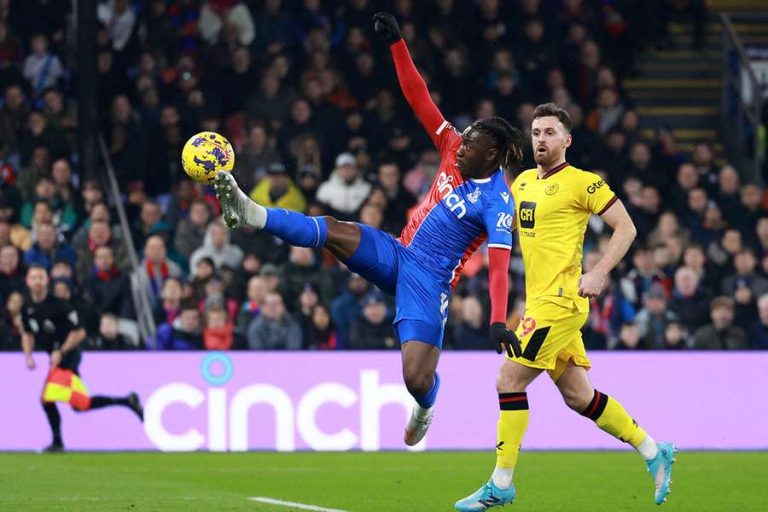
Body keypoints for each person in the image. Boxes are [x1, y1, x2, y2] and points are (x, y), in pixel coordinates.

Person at [214, 11, 525, 447]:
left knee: (415, 377)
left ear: (491, 155)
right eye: (465, 136)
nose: (461, 142)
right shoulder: (453, 147)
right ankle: (252, 213)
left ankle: (426, 403)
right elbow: (418, 97)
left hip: (429, 281)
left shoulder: (498, 202)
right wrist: (398, 45)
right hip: (398, 251)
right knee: (335, 230)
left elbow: (498, 266)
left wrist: (496, 320)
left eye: (472, 141)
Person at [455, 103, 675, 511]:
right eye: (536, 132)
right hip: (539, 302)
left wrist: (600, 271)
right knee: (579, 396)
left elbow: (626, 227)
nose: (541, 139)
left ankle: (501, 484)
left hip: (562, 302)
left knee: (508, 380)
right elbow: (492, 222)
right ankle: (652, 450)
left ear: (566, 140)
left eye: (550, 132)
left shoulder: (583, 183)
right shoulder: (520, 183)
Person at [20, 265, 143, 452]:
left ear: (47, 281)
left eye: (40, 277)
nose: (37, 281)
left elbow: (79, 332)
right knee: (81, 405)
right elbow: (27, 333)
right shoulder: (27, 307)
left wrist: (61, 351)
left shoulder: (60, 305)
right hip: (55, 357)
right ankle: (126, 401)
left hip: (69, 356)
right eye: (33, 277)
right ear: (27, 281)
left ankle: (58, 443)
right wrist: (28, 355)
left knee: (46, 399)